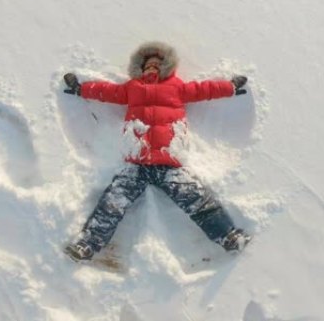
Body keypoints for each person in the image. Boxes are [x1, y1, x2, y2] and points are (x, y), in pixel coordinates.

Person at [62, 41, 251, 262]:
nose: (152, 68)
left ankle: (228, 237)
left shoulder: (177, 87)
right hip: (137, 162)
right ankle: (86, 245)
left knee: (197, 200)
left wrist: (230, 87)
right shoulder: (132, 88)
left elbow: (203, 90)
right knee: (112, 203)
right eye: (148, 65)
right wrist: (80, 88)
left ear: (166, 67)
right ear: (140, 68)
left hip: (168, 163)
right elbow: (107, 92)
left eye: (156, 65)